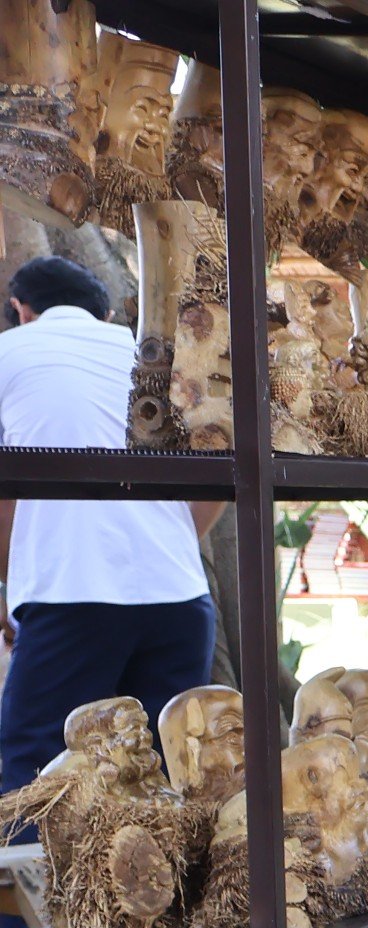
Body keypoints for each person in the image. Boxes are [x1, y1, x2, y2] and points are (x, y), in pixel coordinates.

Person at [0, 256, 222, 802]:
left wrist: (12, 584)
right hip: (181, 600)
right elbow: (220, 470)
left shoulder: (8, 352)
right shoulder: (151, 355)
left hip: (71, 595)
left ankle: (38, 892)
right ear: (103, 313)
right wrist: (166, 541)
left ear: (20, 310)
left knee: (37, 778)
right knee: (174, 782)